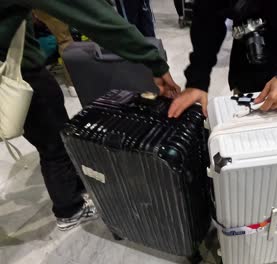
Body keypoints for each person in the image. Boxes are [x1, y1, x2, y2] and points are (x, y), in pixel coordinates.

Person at [0, 0, 180, 231]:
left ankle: (75, 191)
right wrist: (153, 60)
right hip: (19, 74)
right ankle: (70, 209)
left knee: (47, 137)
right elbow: (94, 16)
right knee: (54, 145)